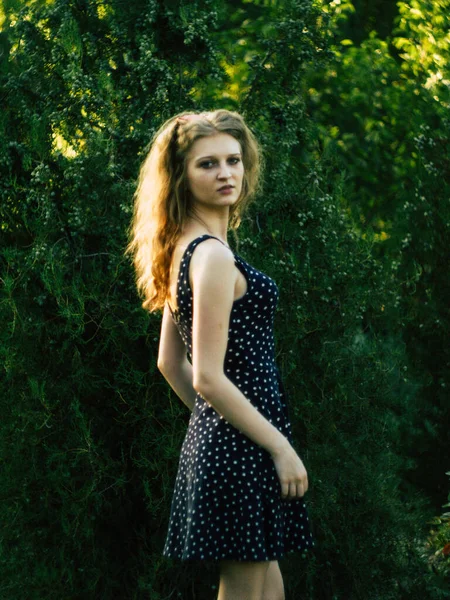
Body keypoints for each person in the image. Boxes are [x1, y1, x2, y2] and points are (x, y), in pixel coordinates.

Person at [125, 109, 315, 600]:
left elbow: (171, 362)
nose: (226, 173)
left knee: (270, 590)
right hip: (246, 446)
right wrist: (276, 446)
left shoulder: (184, 249)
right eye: (207, 164)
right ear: (181, 177)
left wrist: (221, 428)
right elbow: (206, 376)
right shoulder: (210, 256)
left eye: (233, 160)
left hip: (236, 440)